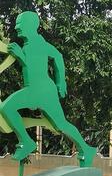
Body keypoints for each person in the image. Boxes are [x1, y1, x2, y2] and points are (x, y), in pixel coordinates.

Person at [0, 11, 96, 166]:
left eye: (20, 24)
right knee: (60, 124)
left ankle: (26, 141)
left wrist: (20, 56)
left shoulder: (37, 44)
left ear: (31, 26)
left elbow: (38, 66)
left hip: (41, 90)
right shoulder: (32, 44)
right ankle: (86, 148)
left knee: (7, 108)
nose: (16, 27)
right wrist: (60, 82)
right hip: (38, 90)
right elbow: (57, 56)